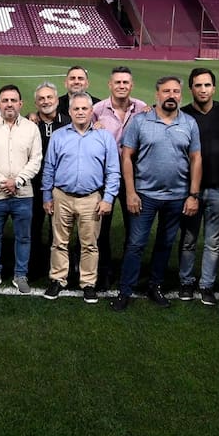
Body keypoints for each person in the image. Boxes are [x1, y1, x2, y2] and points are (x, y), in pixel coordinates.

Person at [111, 76, 201, 311]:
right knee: (136, 244)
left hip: (177, 197)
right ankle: (125, 290)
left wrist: (193, 195)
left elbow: (196, 159)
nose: (171, 95)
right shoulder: (140, 121)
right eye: (166, 91)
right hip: (145, 196)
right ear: (156, 94)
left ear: (181, 95)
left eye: (176, 91)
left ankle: (155, 286)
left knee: (165, 244)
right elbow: (127, 157)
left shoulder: (189, 123)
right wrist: (130, 192)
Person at [41, 92, 120, 304]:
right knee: (59, 242)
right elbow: (49, 168)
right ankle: (58, 279)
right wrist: (47, 196)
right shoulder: (59, 136)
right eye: (76, 109)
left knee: (90, 244)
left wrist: (108, 198)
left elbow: (113, 171)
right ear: (70, 112)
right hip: (61, 196)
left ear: (91, 111)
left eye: (84, 108)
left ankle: (88, 284)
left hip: (91, 199)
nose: (80, 112)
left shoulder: (104, 137)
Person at [176, 68, 219, 305]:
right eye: (198, 85)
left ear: (214, 88)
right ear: (191, 89)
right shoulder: (182, 115)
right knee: (188, 239)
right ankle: (185, 282)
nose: (203, 90)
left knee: (213, 242)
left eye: (207, 85)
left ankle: (206, 285)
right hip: (189, 190)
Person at [0, 84, 42, 294]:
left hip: (23, 195)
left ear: (21, 104)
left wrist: (18, 181)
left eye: (13, 100)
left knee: (23, 237)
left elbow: (36, 159)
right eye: (5, 100)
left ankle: (20, 275)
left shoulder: (32, 129)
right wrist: (2, 181)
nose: (9, 104)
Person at [91, 66, 149, 291]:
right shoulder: (97, 110)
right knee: (101, 227)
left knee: (133, 226)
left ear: (131, 85)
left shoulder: (143, 109)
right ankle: (103, 271)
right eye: (118, 82)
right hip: (104, 175)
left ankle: (128, 272)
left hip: (134, 176)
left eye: (126, 82)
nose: (122, 86)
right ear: (110, 85)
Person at [28, 81, 69, 280]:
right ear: (36, 103)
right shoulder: (29, 123)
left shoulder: (69, 122)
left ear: (57, 99)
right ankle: (34, 267)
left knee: (59, 231)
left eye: (49, 97)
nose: (46, 102)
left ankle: (57, 270)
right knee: (33, 226)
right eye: (41, 99)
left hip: (61, 185)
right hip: (34, 185)